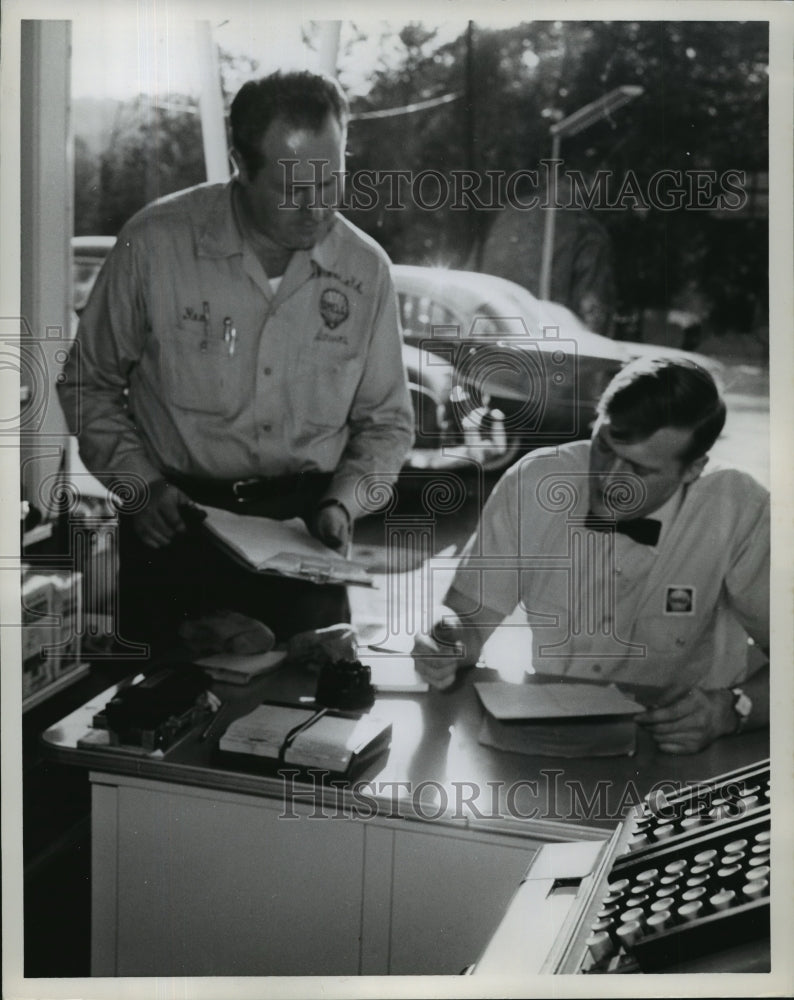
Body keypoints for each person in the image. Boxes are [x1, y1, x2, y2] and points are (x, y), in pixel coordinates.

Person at [58, 70, 414, 648]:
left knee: (309, 727)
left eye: (330, 183)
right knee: (160, 720)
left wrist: (344, 505)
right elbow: (87, 382)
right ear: (240, 166)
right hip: (174, 526)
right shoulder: (153, 244)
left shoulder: (365, 270)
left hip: (307, 535)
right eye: (293, 189)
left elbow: (389, 421)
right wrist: (138, 485)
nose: (316, 208)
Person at [413, 357, 769, 755]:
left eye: (638, 467)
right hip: (547, 740)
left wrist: (731, 710)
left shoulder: (740, 510)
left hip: (681, 757)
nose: (608, 478)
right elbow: (468, 620)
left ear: (693, 469)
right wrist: (447, 642)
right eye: (604, 445)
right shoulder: (535, 482)